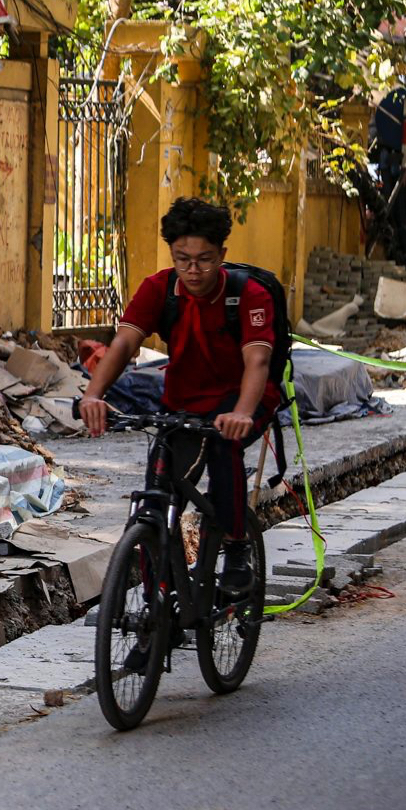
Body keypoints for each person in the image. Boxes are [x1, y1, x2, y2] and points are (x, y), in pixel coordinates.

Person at [80, 198, 280, 651]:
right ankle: (158, 602)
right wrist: (93, 394)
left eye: (204, 260)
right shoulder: (160, 289)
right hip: (184, 401)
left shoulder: (248, 295)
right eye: (183, 259)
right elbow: (124, 344)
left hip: (242, 398)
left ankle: (235, 549)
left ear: (221, 255)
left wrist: (243, 412)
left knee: (227, 450)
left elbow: (259, 359)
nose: (193, 270)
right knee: (159, 489)